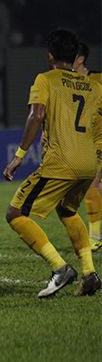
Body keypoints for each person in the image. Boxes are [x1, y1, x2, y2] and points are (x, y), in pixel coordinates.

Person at [3, 29, 101, 298]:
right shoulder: (93, 85)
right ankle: (89, 274)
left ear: (50, 56)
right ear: (75, 56)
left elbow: (37, 116)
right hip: (88, 163)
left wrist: (19, 156)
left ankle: (60, 268)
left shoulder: (45, 79)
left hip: (61, 161)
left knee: (15, 214)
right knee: (68, 211)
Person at [73, 42, 102, 252]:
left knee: (92, 185)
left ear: (81, 58)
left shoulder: (99, 79)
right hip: (85, 143)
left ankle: (95, 236)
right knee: (95, 186)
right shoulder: (67, 83)